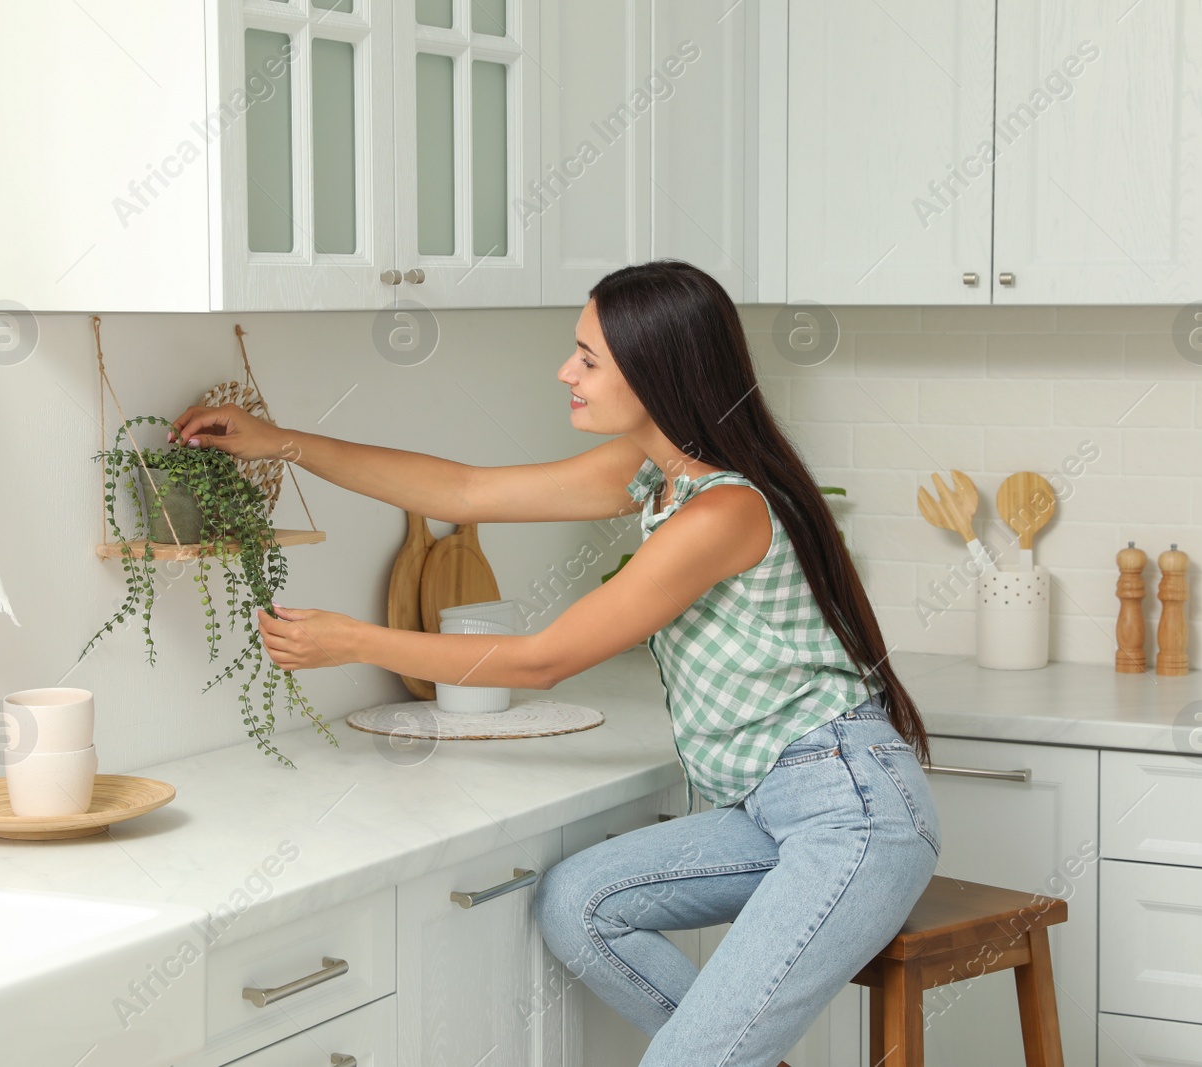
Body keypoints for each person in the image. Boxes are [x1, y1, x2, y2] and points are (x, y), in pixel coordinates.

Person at [169, 259, 941, 1067]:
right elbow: (462, 490)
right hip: (773, 808)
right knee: (578, 902)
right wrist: (282, 442)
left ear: (656, 373)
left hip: (852, 813)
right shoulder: (654, 476)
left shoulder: (724, 510)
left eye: (588, 358)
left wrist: (356, 641)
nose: (565, 371)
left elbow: (541, 661)